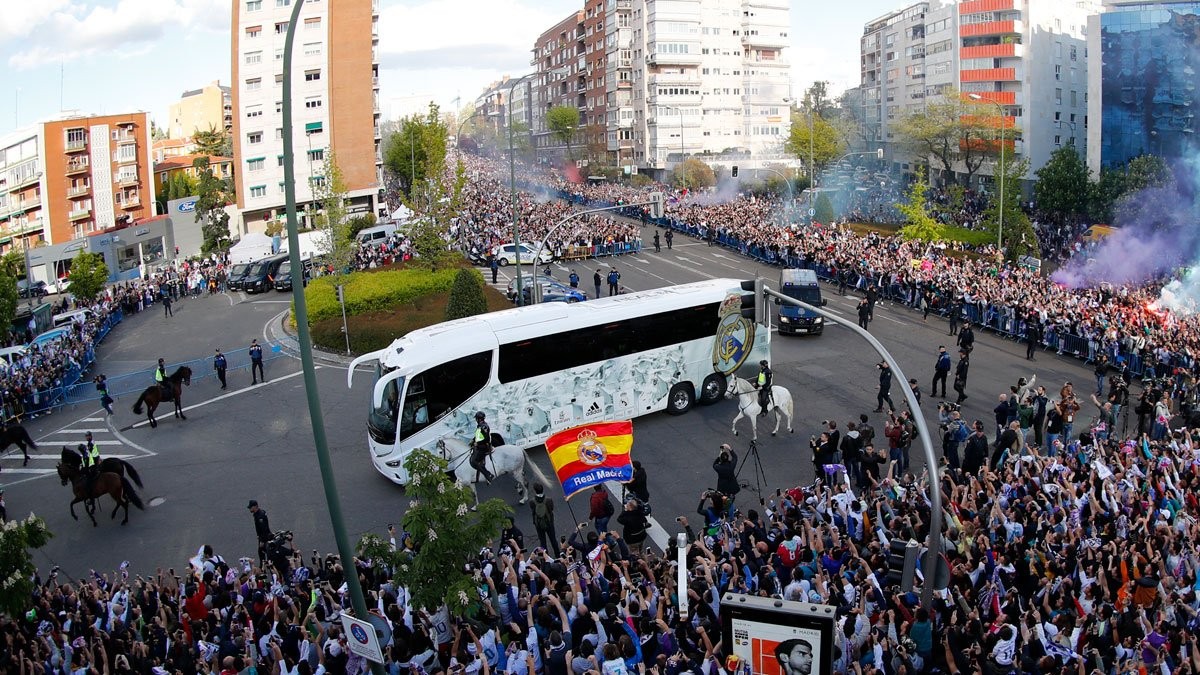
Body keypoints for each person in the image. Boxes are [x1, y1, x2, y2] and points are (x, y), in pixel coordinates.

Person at [529, 484, 559, 556]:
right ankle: (557, 555)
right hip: (549, 522)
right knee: (553, 539)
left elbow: (533, 511)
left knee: (542, 542)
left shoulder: (532, 501)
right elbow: (551, 509)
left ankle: (546, 557)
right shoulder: (549, 500)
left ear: (535, 491)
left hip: (538, 524)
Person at [469, 411, 496, 483]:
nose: (476, 420)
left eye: (476, 418)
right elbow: (478, 436)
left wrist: (477, 443)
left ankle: (488, 474)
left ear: (479, 419)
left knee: (474, 461)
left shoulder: (484, 426)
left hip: (484, 446)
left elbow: (486, 438)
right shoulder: (480, 426)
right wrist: (473, 440)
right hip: (480, 445)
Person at [248, 500, 271, 566]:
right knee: (263, 551)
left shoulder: (260, 516)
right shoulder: (258, 514)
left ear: (255, 507)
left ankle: (264, 566)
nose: (250, 509)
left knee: (263, 551)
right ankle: (264, 565)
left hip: (265, 537)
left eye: (250, 507)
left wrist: (262, 540)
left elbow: (264, 528)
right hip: (263, 536)